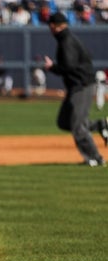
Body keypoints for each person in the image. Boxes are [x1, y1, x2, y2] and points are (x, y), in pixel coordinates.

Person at [43, 12, 108, 167]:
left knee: (78, 126)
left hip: (81, 85)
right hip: (76, 85)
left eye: (50, 25)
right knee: (64, 122)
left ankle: (95, 158)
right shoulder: (67, 39)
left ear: (54, 26)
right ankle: (100, 125)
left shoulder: (67, 41)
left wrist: (52, 67)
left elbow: (69, 66)